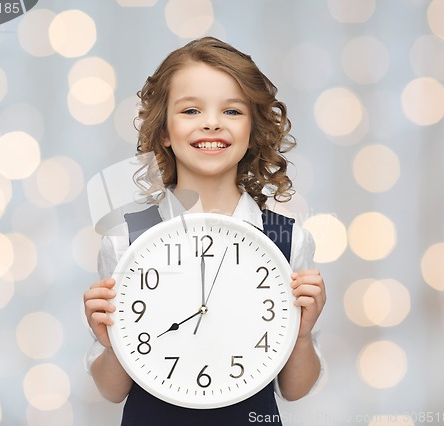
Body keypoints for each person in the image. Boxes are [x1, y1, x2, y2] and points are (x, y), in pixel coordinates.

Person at [83, 37, 326, 425]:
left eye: (231, 110)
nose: (211, 122)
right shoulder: (124, 242)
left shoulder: (287, 241)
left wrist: (301, 333)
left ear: (252, 130)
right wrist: (112, 345)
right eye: (191, 109)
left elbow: (294, 389)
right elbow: (112, 392)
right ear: (164, 131)